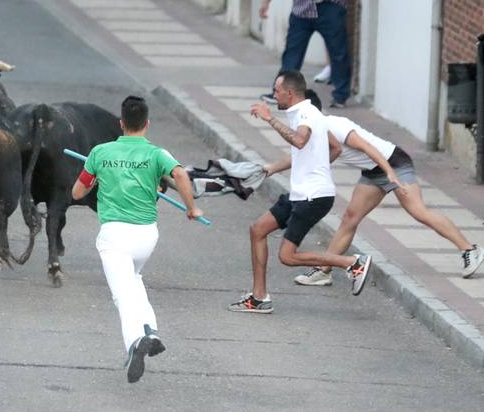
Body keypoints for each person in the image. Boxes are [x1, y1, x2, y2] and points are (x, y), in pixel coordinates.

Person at [71, 96, 203, 383]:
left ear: (121, 124)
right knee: (134, 279)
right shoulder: (158, 154)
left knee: (122, 294)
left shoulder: (100, 152)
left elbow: (77, 193)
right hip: (146, 235)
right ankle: (150, 330)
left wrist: (96, 178)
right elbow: (180, 174)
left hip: (114, 235)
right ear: (147, 124)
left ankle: (135, 343)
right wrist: (192, 208)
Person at [289, 99, 483, 285]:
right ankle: (324, 271)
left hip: (394, 163)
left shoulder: (334, 125)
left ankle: (470, 250)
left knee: (418, 211)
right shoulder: (314, 133)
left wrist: (390, 172)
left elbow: (367, 147)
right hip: (374, 171)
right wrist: (271, 168)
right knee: (350, 218)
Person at [230, 70, 373, 313]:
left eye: (277, 91)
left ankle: (352, 263)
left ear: (290, 93)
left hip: (312, 197)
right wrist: (294, 168)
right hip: (303, 192)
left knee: (287, 256)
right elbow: (334, 147)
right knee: (258, 230)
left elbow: (299, 141)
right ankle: (259, 298)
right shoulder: (310, 112)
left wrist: (269, 119)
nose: (274, 95)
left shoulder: (305, 114)